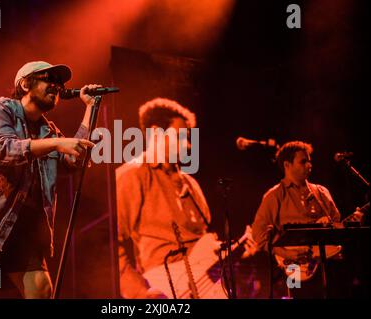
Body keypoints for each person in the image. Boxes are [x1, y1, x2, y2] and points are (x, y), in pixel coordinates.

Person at [0, 61, 98, 298]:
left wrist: (90, 109)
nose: (57, 87)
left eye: (60, 83)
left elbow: (73, 160)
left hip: (23, 224)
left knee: (41, 290)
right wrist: (56, 143)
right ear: (26, 83)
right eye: (50, 79)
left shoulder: (47, 130)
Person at [116, 98, 255, 299]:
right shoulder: (133, 175)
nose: (188, 145)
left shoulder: (191, 185)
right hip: (162, 287)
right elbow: (110, 242)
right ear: (155, 133)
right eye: (181, 137)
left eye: (188, 138)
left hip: (205, 288)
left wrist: (237, 252)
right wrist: (139, 291)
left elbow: (205, 244)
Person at [250, 141, 343, 298]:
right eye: (303, 161)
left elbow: (336, 224)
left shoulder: (321, 192)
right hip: (291, 267)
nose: (309, 165)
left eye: (309, 160)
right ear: (287, 165)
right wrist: (285, 253)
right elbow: (258, 234)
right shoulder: (274, 196)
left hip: (322, 266)